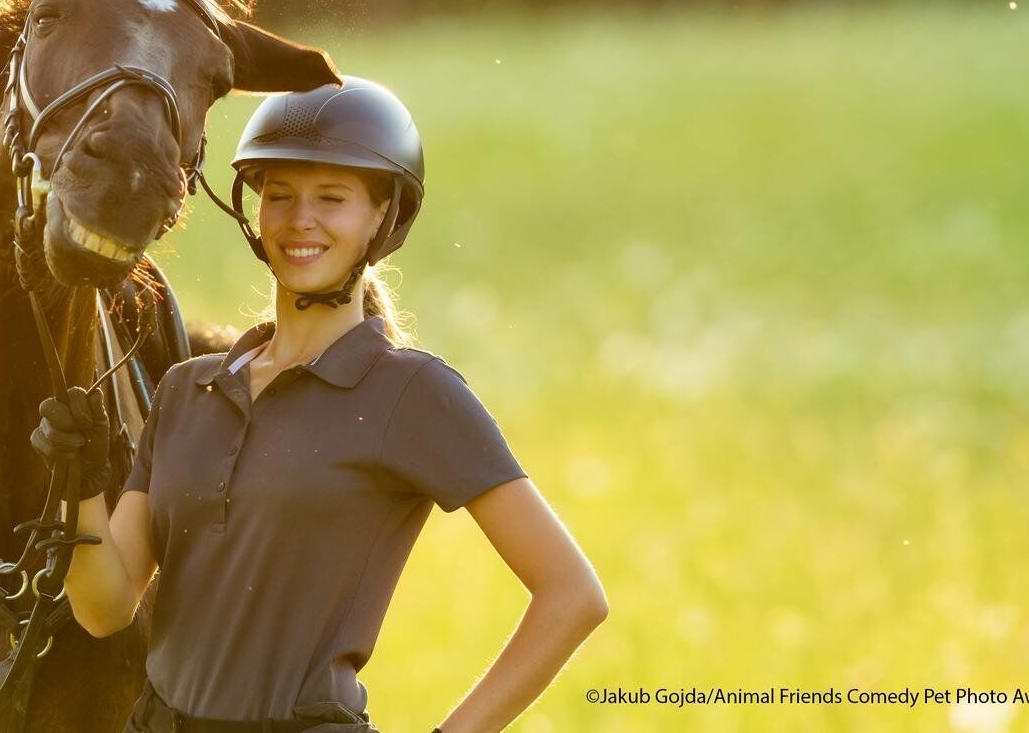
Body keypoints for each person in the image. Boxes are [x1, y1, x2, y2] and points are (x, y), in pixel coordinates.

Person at [33, 76, 609, 733]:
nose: (300, 219)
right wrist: (78, 488)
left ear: (382, 216)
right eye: (279, 196)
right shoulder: (186, 390)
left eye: (331, 198)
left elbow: (572, 594)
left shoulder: (413, 394)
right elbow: (104, 609)